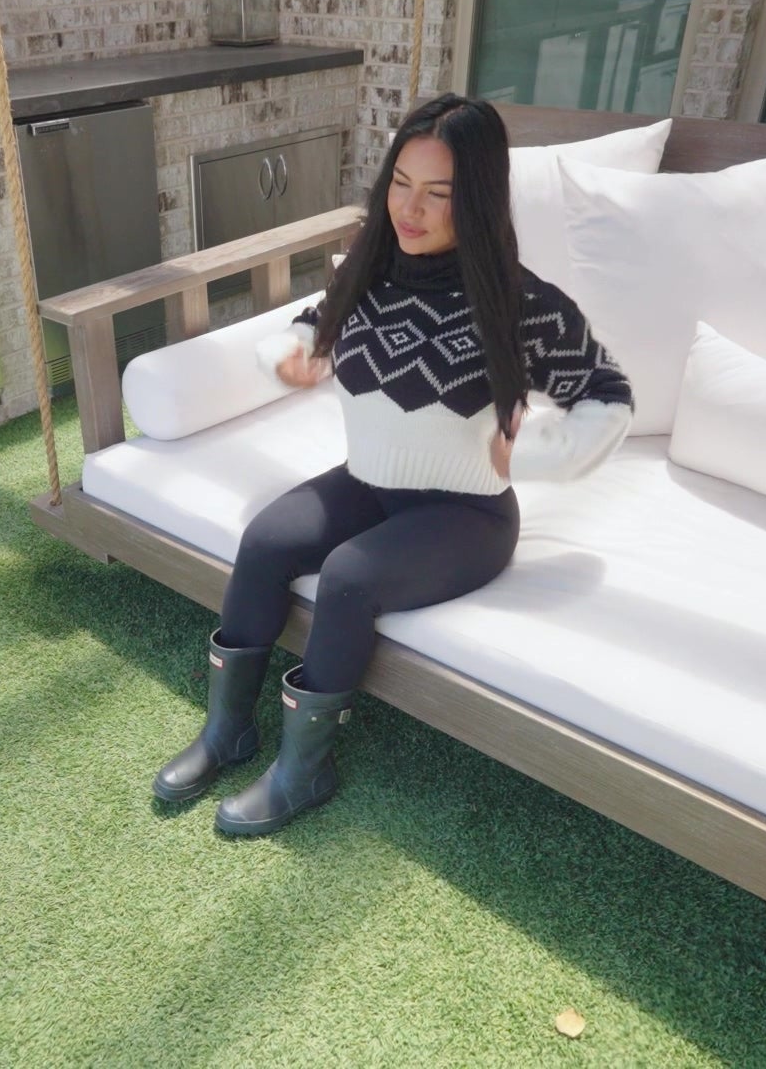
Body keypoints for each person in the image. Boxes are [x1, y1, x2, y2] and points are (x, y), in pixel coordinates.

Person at [153, 93, 635, 836]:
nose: (410, 209)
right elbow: (308, 328)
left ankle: (303, 771)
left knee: (348, 578)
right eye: (401, 184)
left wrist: (535, 451)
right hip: (369, 483)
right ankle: (227, 733)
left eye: (437, 193)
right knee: (265, 541)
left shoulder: (521, 302)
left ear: (475, 200)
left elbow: (610, 396)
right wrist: (290, 358)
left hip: (467, 514)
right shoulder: (367, 272)